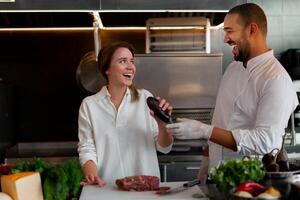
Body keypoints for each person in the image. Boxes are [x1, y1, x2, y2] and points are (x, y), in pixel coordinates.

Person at [166, 3, 299, 184]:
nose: (225, 39)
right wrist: (206, 162)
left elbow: (266, 141)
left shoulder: (276, 79)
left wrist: (204, 130)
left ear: (252, 29)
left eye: (230, 31)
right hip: (217, 178)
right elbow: (219, 121)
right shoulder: (232, 69)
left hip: (250, 183)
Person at [77, 41, 173, 187]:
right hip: (107, 188)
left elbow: (164, 148)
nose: (131, 67)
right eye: (123, 61)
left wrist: (163, 125)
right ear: (107, 69)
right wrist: (92, 176)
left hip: (145, 190)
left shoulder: (145, 99)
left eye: (132, 61)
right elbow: (87, 148)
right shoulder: (90, 105)